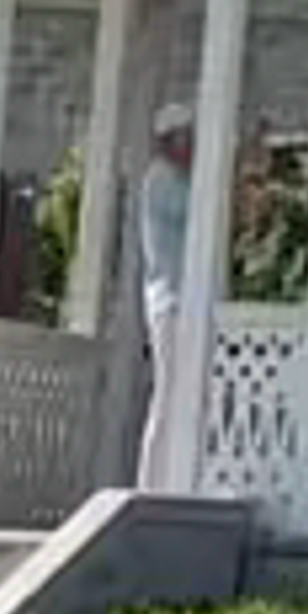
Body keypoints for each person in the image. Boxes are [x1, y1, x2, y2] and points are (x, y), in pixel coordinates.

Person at [135, 103, 195, 485]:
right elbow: (198, 208)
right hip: (170, 301)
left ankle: (172, 478)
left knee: (182, 394)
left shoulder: (178, 179)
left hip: (183, 301)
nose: (192, 146)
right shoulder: (160, 179)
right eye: (186, 137)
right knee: (170, 392)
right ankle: (151, 482)